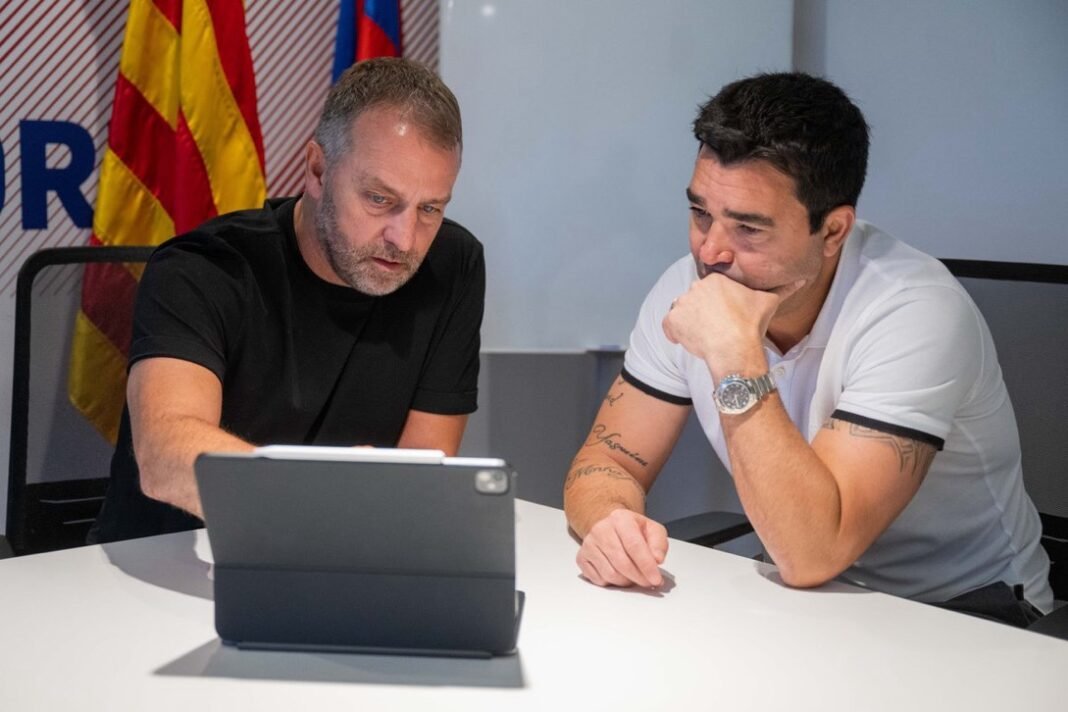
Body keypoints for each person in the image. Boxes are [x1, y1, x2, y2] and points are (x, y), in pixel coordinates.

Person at [563, 72, 1052, 625]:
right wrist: (610, 520)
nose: (710, 252)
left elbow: (812, 554)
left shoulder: (915, 310)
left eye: (749, 228)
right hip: (803, 606)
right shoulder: (687, 285)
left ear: (834, 230)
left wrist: (734, 354)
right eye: (701, 213)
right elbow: (606, 460)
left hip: (966, 614)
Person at [90, 57, 484, 543]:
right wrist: (318, 490)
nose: (404, 239)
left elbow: (423, 468)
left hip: (339, 555)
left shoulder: (452, 265)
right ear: (317, 169)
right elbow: (164, 455)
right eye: (380, 199)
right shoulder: (202, 269)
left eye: (430, 208)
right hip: (164, 560)